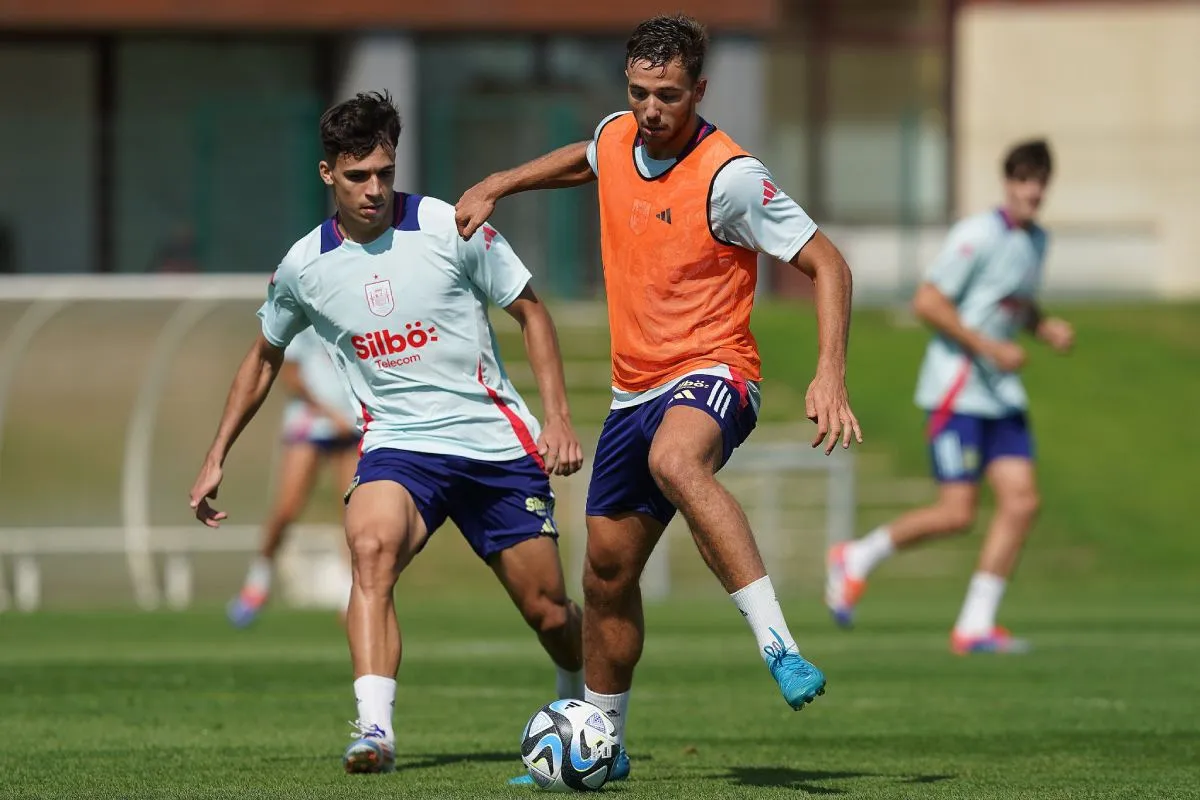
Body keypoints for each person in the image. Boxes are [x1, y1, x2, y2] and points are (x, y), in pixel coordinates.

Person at [456, 13, 861, 783]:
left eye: (668, 95)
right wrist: (498, 183)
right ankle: (603, 747)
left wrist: (829, 372)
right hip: (632, 393)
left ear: (699, 90)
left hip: (716, 370)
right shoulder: (619, 135)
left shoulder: (729, 175)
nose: (650, 110)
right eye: (639, 92)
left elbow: (829, 263)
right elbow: (588, 157)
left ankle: (779, 645)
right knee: (605, 576)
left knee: (677, 461)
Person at [188, 90, 587, 775]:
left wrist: (557, 418)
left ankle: (583, 705)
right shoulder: (304, 267)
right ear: (327, 174)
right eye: (357, 176)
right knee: (370, 550)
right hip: (400, 446)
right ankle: (375, 731)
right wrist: (216, 454)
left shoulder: (451, 226)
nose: (373, 189)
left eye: (384, 172)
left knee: (549, 611)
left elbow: (532, 312)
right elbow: (263, 358)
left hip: (493, 442)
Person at [825, 139, 1073, 654]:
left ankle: (975, 625)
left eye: (1039, 181)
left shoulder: (1037, 241)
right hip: (956, 390)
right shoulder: (977, 234)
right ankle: (857, 557)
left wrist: (1043, 327)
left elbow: (1015, 302)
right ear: (1008, 183)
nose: (1032, 190)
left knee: (1022, 503)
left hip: (1000, 395)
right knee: (958, 512)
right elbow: (928, 302)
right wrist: (990, 348)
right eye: (1024, 179)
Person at [226, 326, 360, 628]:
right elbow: (290, 375)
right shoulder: (304, 316)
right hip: (309, 424)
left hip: (352, 427)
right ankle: (257, 581)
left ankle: (348, 592)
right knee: (287, 508)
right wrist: (329, 413)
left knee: (353, 514)